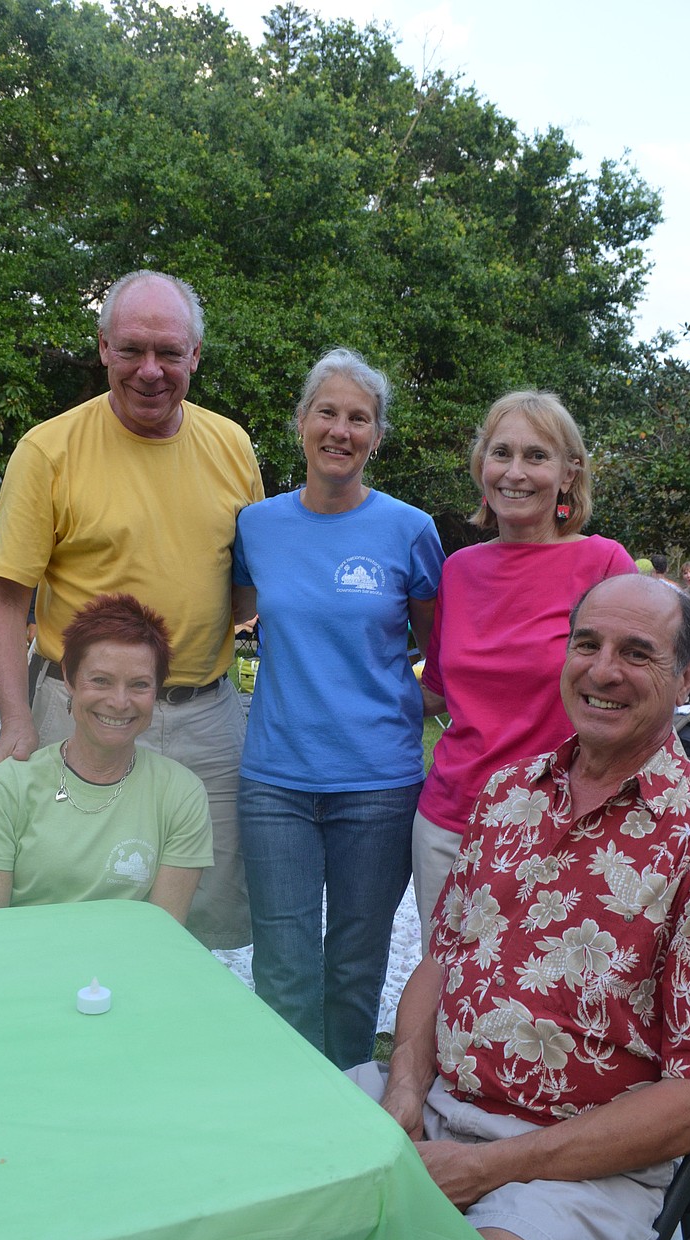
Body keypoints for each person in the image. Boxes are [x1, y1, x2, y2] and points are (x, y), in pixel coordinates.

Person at [351, 576, 690, 1240]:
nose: (603, 670)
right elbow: (439, 960)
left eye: (638, 653)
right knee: (256, 1197)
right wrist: (406, 1091)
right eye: (587, 644)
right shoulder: (509, 793)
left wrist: (485, 1166)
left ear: (688, 674)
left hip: (580, 1166)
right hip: (432, 1103)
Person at [0, 270, 263, 949]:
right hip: (78, 710)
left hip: (206, 722)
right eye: (132, 349)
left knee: (203, 920)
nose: (150, 370)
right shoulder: (49, 449)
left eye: (169, 352)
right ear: (103, 347)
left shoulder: (232, 445)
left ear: (196, 355)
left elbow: (246, 585)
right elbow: (3, 594)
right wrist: (16, 720)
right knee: (59, 897)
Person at [232, 348, 444, 1069]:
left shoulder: (410, 529)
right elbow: (236, 611)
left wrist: (399, 703)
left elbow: (441, 650)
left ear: (377, 436)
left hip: (378, 785)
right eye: (328, 412)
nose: (341, 429)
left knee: (356, 972)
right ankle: (289, 1118)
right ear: (300, 423)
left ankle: (349, 1110)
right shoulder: (256, 526)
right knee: (284, 972)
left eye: (359, 417)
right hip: (276, 782)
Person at [413, 390, 636, 949]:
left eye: (536, 456)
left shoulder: (605, 565)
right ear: (481, 466)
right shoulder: (459, 571)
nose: (515, 472)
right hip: (450, 819)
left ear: (569, 474)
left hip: (561, 821)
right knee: (446, 986)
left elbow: (644, 691)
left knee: (542, 1000)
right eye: (501, 453)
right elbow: (434, 694)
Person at [0, 594, 212, 920]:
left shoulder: (181, 794)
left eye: (139, 684)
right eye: (101, 680)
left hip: (127, 966)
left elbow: (164, 931)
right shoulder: (9, 786)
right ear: (69, 677)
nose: (119, 702)